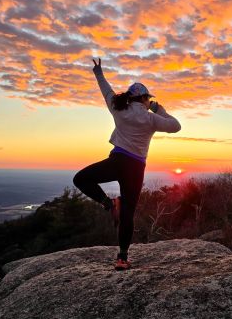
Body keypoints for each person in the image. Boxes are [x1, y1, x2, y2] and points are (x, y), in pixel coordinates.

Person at [73, 58, 181, 270]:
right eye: (148, 99)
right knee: (128, 214)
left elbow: (106, 91)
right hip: (135, 168)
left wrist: (98, 72)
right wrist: (159, 110)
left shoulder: (118, 108)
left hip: (117, 161)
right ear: (144, 99)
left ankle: (108, 203)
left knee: (81, 179)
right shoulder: (151, 119)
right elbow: (176, 126)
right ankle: (122, 258)